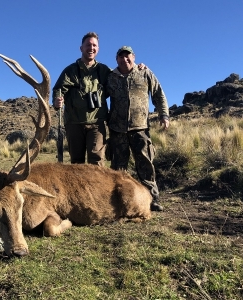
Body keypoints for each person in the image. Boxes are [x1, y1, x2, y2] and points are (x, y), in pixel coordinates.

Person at [106, 46, 170, 211]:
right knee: (118, 168)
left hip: (140, 128)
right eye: (121, 57)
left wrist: (164, 115)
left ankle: (152, 199)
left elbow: (158, 94)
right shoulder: (111, 77)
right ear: (116, 60)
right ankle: (117, 201)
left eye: (127, 56)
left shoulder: (145, 73)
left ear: (133, 57)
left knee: (145, 164)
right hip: (117, 129)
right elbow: (98, 96)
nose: (124, 59)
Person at [52, 32, 109, 166]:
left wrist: (138, 68)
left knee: (97, 161)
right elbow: (58, 90)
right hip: (74, 123)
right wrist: (57, 101)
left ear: (98, 49)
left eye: (94, 45)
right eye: (88, 45)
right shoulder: (70, 71)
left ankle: (97, 187)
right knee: (77, 163)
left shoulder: (104, 70)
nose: (91, 48)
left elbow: (120, 76)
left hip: (96, 123)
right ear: (81, 48)